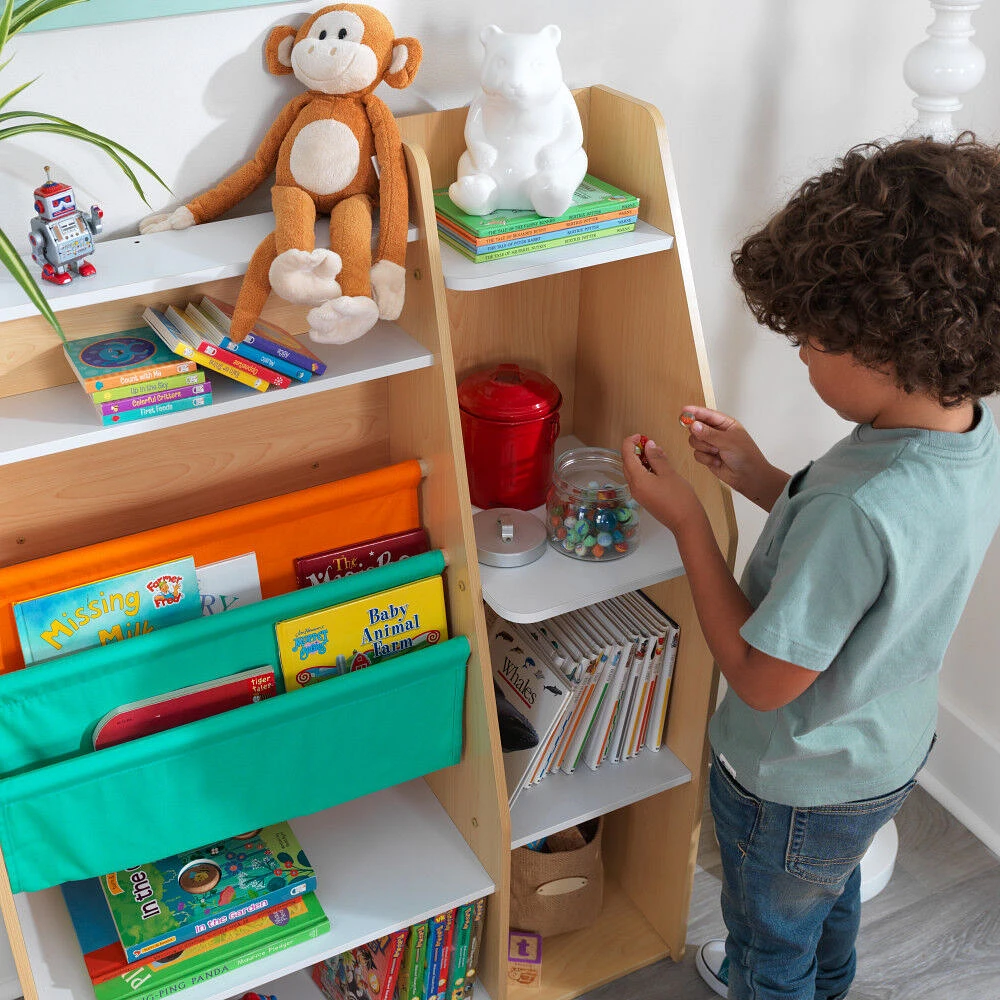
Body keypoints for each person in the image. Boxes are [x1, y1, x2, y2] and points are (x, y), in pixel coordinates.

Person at [621, 134, 1000, 1000]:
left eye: (815, 338)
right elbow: (876, 568)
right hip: (882, 754)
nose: (799, 353)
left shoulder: (858, 509)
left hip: (793, 782)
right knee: (830, 899)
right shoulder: (965, 433)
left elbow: (760, 678)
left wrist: (688, 525)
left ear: (889, 348)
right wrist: (757, 477)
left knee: (770, 943)